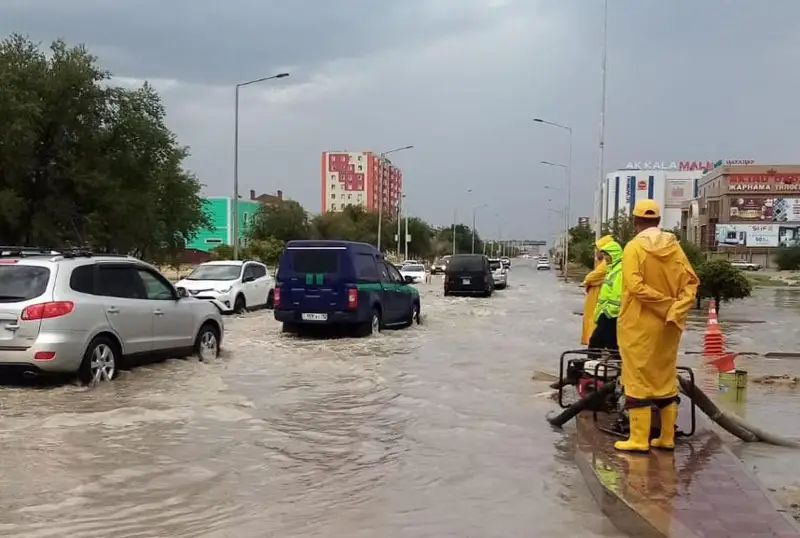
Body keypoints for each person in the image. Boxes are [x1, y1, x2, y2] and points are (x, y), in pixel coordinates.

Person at [614, 199, 699, 453]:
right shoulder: (675, 248)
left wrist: (662, 305)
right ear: (658, 221)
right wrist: (675, 309)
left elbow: (634, 286)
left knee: (637, 377)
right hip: (669, 325)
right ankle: (666, 437)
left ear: (635, 221)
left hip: (639, 324)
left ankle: (639, 439)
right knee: (664, 377)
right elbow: (691, 284)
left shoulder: (633, 248)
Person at [588, 239, 623, 353]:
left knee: (596, 342)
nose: (605, 258)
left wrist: (607, 313)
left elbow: (617, 295)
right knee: (612, 345)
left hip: (610, 316)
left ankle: (592, 366)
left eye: (607, 255)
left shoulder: (620, 271)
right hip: (607, 315)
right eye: (604, 256)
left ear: (614, 255)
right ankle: (618, 368)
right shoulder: (612, 269)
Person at [580, 235, 613, 346]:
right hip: (597, 301)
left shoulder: (605, 265)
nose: (596, 252)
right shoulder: (601, 264)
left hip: (601, 302)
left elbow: (590, 278)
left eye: (597, 250)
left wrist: (589, 281)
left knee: (596, 330)